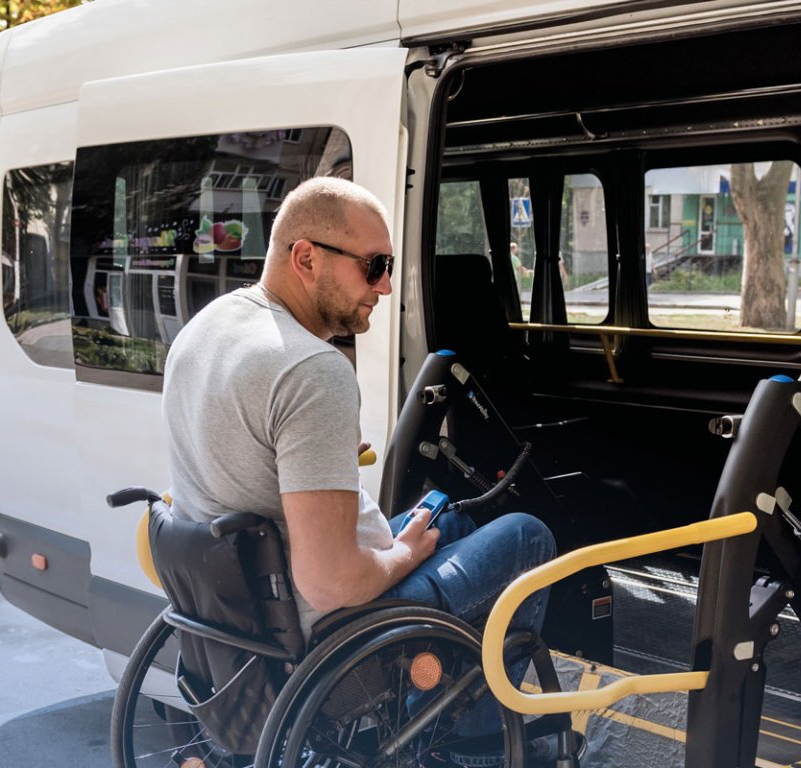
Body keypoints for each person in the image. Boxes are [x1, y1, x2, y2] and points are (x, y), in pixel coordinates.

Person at [162, 177, 555, 765]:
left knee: (448, 518)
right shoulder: (311, 370)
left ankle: (444, 695)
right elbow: (331, 584)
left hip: (249, 616)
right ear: (305, 257)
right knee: (527, 537)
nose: (387, 286)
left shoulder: (205, 329)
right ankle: (477, 746)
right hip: (333, 632)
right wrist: (400, 556)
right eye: (373, 266)